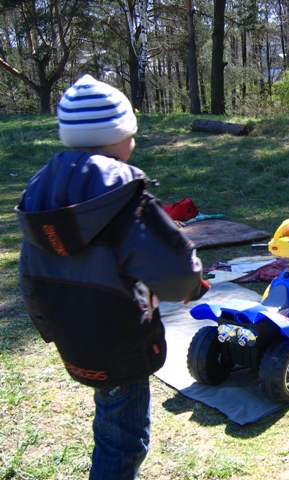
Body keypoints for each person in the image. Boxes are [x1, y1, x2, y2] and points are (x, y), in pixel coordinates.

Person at [15, 74, 209, 479]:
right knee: (123, 441)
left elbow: (28, 272)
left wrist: (48, 326)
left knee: (111, 418)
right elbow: (174, 269)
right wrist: (192, 287)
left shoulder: (39, 192)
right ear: (120, 137)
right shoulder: (127, 198)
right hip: (120, 338)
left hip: (69, 330)